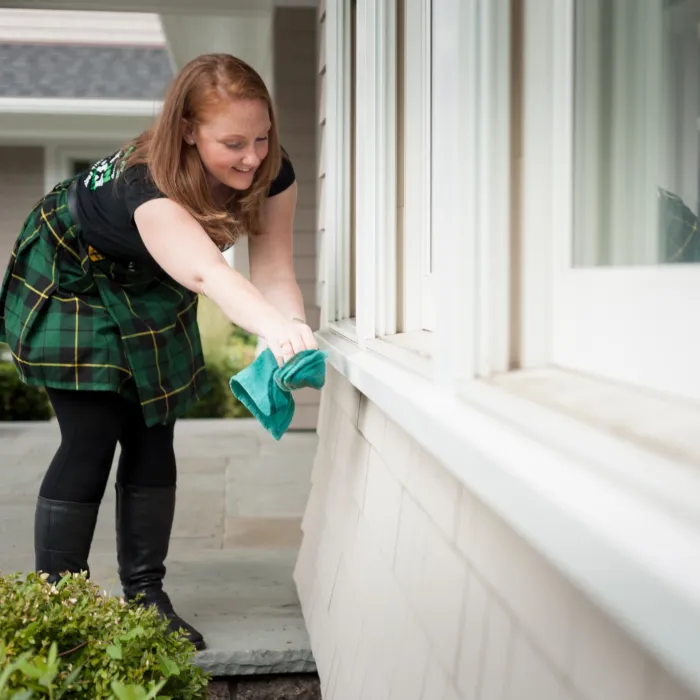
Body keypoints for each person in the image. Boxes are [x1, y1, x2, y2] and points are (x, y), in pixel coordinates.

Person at [0, 53, 318, 651]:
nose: (252, 156)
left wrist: (293, 330)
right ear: (188, 132)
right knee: (91, 436)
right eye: (233, 143)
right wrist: (272, 329)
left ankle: (147, 598)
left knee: (153, 431)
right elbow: (210, 276)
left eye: (261, 137)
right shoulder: (148, 186)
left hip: (152, 279)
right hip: (73, 274)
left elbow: (273, 270)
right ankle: (59, 611)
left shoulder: (273, 173)